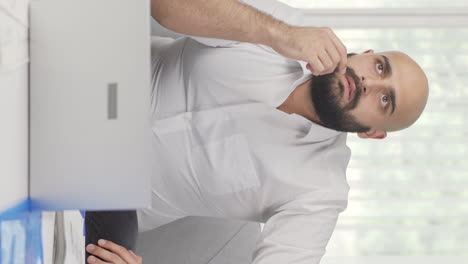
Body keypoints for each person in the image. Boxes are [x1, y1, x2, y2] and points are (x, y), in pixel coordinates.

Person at [84, 0, 429, 263]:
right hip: (106, 76)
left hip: (108, 198)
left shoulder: (320, 191)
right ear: (367, 55)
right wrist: (279, 34)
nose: (369, 82)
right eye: (380, 67)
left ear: (373, 133)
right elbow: (163, 6)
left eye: (386, 100)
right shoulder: (291, 29)